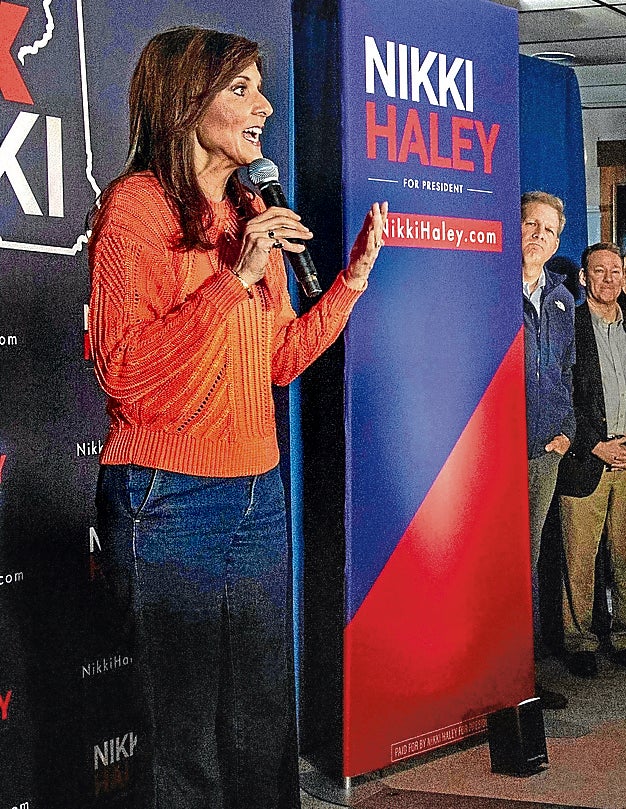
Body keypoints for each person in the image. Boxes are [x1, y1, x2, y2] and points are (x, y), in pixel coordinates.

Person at [88, 27, 386, 808]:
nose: (266, 104)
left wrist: (347, 286)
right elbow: (124, 372)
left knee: (261, 726)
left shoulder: (250, 204)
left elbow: (278, 360)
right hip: (167, 498)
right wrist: (235, 277)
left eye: (261, 86)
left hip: (256, 490)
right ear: (187, 101)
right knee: (181, 741)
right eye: (243, 88)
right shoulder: (136, 208)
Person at [557, 242, 626, 677]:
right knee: (579, 560)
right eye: (599, 271)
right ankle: (579, 642)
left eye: (617, 271)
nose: (609, 279)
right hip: (589, 459)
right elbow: (563, 394)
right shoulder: (570, 327)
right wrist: (593, 444)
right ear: (584, 279)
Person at [521, 190, 575, 710]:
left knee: (528, 563)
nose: (539, 235)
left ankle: (523, 678)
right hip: (491, 452)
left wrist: (567, 431)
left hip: (543, 453)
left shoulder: (561, 300)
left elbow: (565, 372)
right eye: (529, 224)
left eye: (549, 230)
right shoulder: (489, 290)